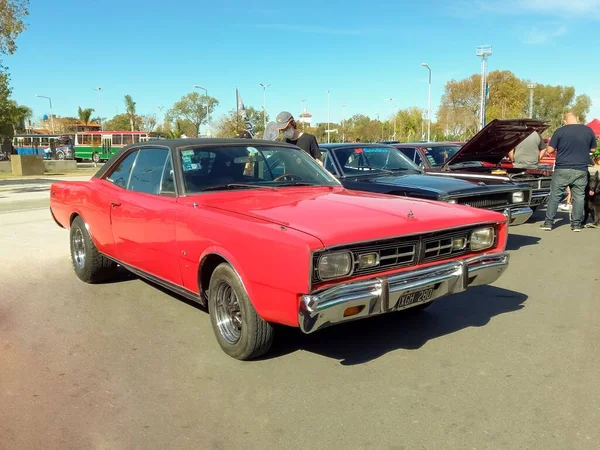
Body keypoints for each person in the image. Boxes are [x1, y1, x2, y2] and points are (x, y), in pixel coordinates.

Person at [540, 112, 597, 232]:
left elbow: (550, 150)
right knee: (579, 197)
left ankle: (548, 223)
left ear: (565, 121)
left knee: (555, 196)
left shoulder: (560, 131)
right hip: (581, 169)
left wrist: (546, 149)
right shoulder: (588, 131)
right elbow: (593, 149)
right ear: (577, 118)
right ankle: (576, 224)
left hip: (562, 169)